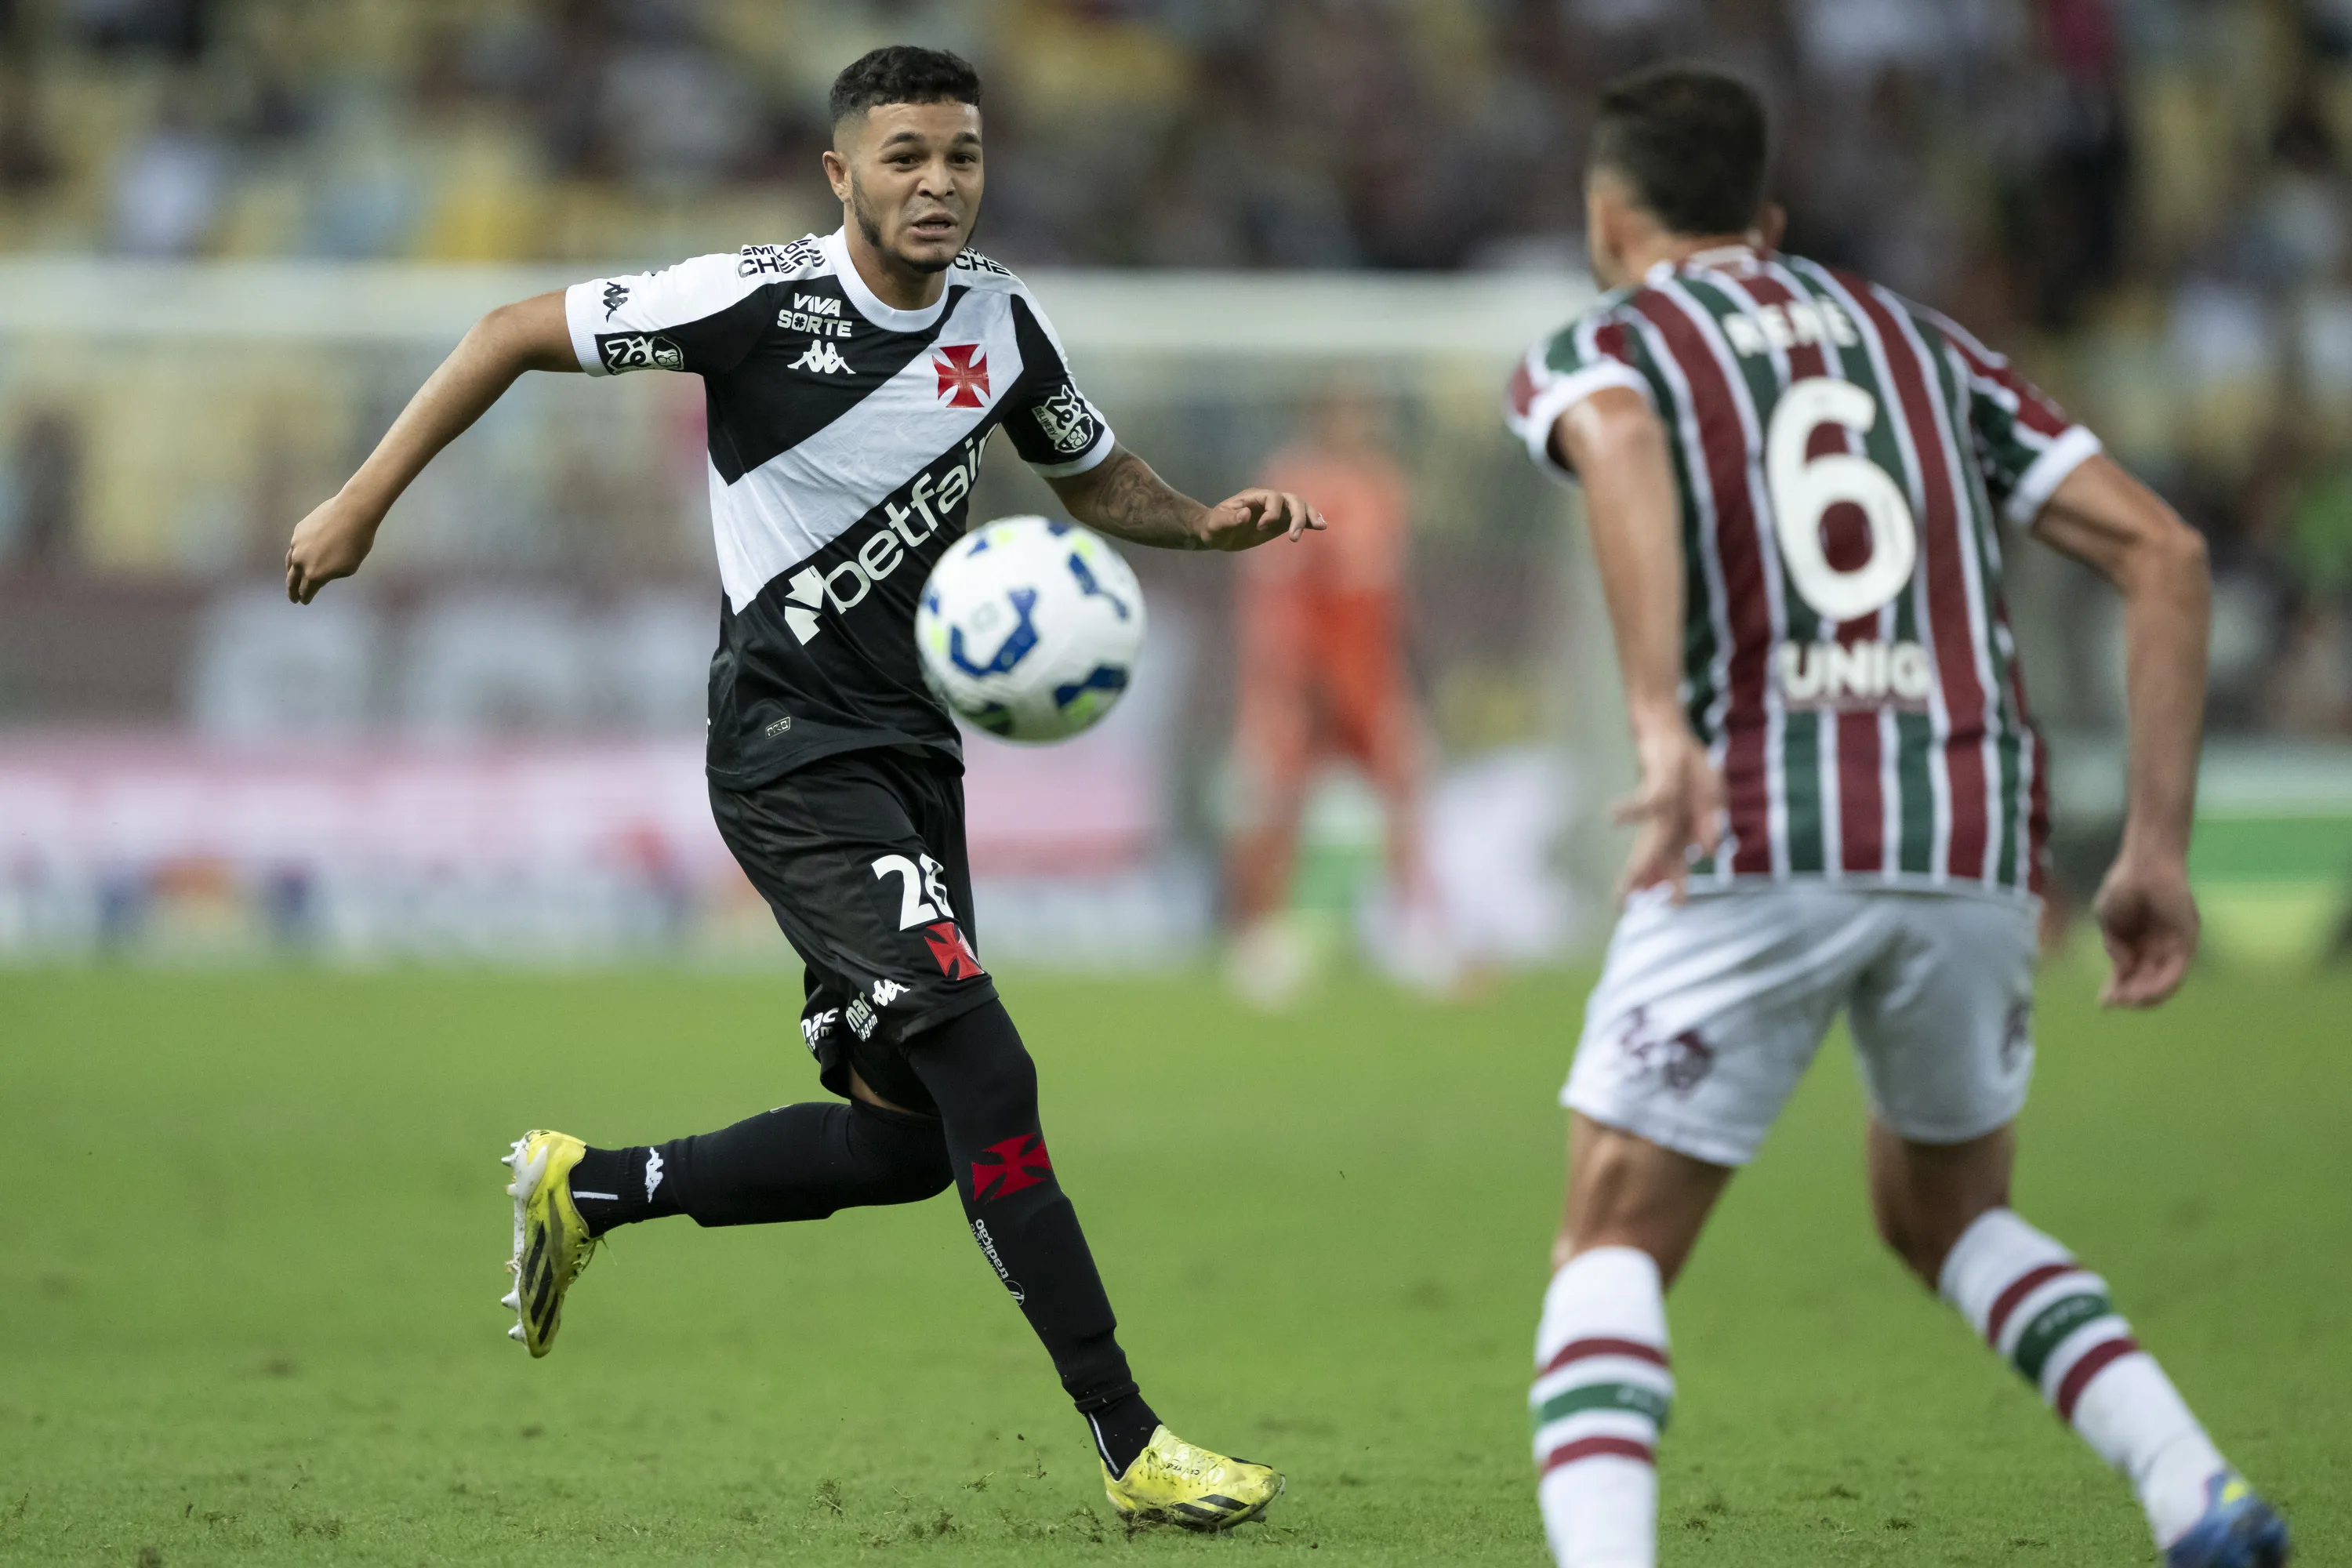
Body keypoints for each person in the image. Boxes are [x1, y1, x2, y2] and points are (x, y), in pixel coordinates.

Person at [283, 46, 1318, 1533]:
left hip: (911, 754)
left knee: (910, 1137)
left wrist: (1208, 527)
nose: (939, 182)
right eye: (904, 155)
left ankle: (591, 1189)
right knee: (990, 1072)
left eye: (961, 154)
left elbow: (1092, 476)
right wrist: (359, 500)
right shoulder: (756, 301)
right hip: (788, 755)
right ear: (842, 174)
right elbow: (511, 329)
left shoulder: (1003, 320)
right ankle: (1132, 1443)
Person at [1503, 65, 2288, 1568]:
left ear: (1610, 221)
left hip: (1754, 821)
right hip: (1969, 832)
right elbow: (2167, 555)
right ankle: (2196, 1491)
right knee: (1947, 1215)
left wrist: (1662, 726)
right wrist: (2154, 852)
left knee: (1611, 1237)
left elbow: (1615, 446)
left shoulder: (1610, 342)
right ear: (1773, 218)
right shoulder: (1930, 346)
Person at [1224, 384, 1442, 1003]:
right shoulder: (1289, 482)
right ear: (1319, 414)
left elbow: (1392, 591)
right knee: (1277, 800)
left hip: (1372, 668)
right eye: (1349, 409)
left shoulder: (1382, 483)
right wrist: (1297, 674)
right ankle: (1260, 938)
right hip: (1305, 673)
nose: (1362, 421)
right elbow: (1279, 594)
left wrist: (1407, 661)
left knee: (1403, 789)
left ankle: (1414, 933)